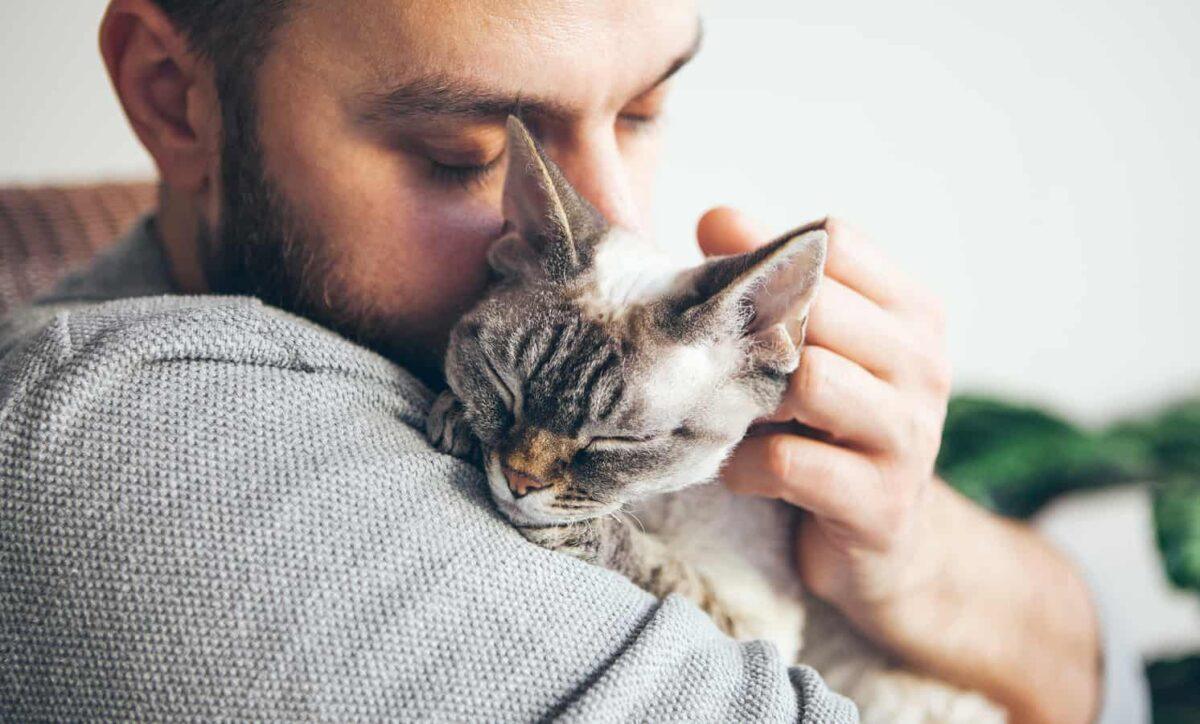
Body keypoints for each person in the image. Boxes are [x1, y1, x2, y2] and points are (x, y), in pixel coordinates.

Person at [0, 0, 1146, 721]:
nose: (610, 217)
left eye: (646, 109)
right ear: (171, 95)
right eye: (468, 154)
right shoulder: (130, 449)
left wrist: (911, 552)